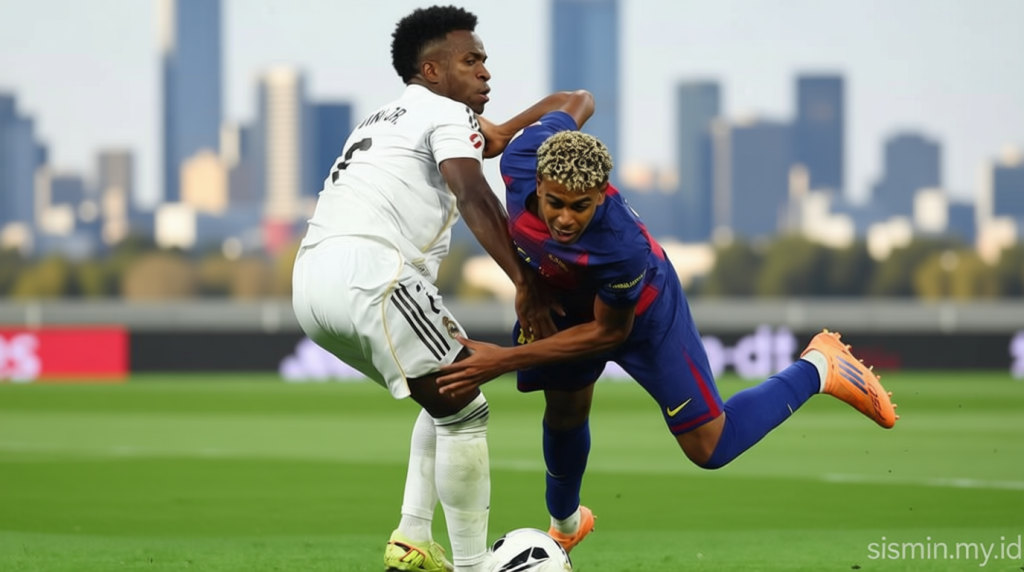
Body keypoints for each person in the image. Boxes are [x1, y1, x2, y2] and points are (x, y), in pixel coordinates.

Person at [436, 93, 900, 554]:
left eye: (581, 207)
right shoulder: (522, 156)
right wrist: (503, 132)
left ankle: (819, 367)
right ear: (537, 182)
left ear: (601, 193)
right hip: (563, 302)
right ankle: (566, 525)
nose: (565, 219)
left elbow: (608, 333)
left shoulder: (622, 247)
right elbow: (579, 100)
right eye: (555, 202)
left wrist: (506, 359)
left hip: (643, 316)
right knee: (564, 411)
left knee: (710, 448)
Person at [291, 7, 557, 572]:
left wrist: (529, 117)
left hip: (312, 283)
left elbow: (496, 137)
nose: (485, 71)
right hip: (374, 273)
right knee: (466, 410)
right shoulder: (445, 113)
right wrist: (525, 282)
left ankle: (412, 539)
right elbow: (472, 192)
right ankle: (474, 565)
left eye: (485, 60)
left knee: (445, 394)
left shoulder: (379, 119)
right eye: (471, 60)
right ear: (432, 71)